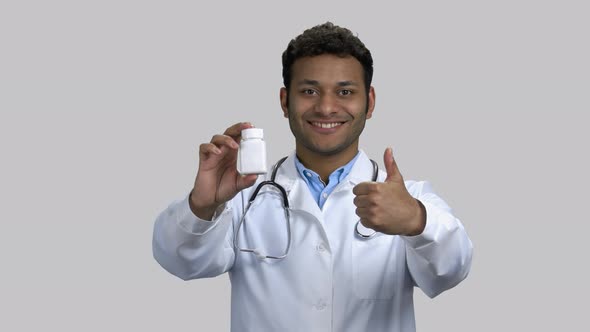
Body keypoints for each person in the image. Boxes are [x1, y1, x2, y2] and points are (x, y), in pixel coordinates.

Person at [153, 22, 473, 332]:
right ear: (284, 100)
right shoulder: (243, 198)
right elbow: (180, 262)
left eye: (345, 91)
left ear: (370, 102)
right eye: (309, 90)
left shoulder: (409, 198)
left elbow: (451, 270)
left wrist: (417, 221)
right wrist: (202, 205)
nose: (326, 107)